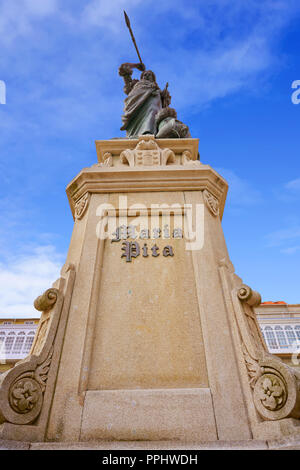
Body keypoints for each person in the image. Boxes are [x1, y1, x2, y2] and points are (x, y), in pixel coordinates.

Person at [119, 62, 171, 138]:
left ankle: (148, 133)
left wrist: (165, 95)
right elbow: (123, 68)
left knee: (152, 113)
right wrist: (135, 65)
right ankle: (136, 135)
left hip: (152, 106)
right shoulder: (135, 85)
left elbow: (165, 104)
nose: (146, 75)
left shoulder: (156, 89)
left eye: (149, 74)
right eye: (144, 74)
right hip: (135, 107)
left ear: (153, 78)